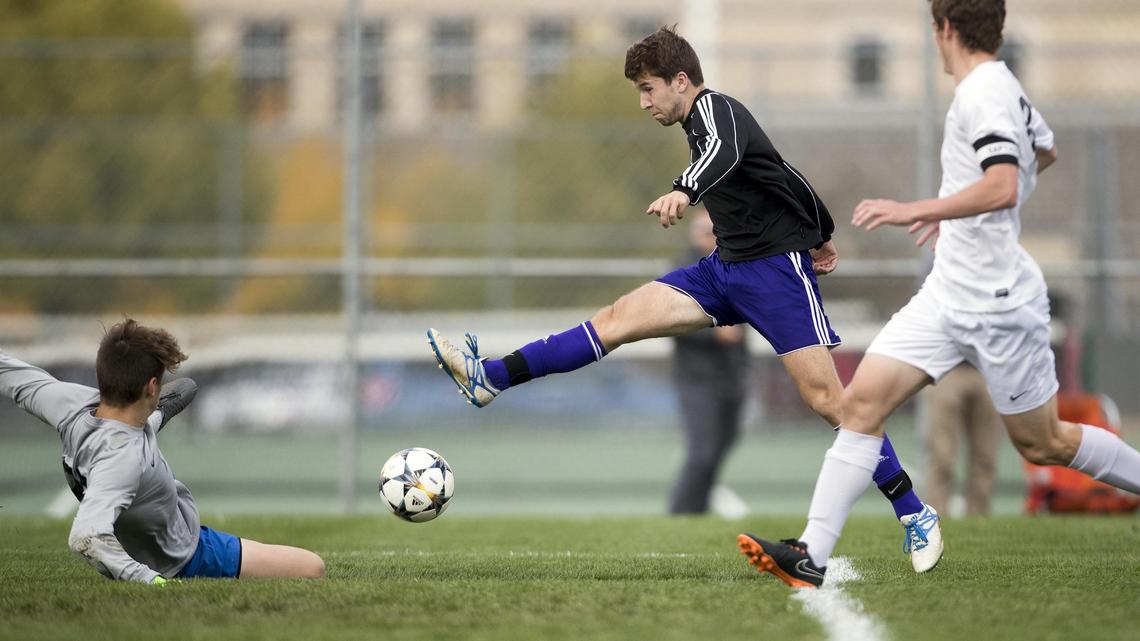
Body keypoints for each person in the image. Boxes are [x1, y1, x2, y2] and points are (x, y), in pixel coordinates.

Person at [427, 25, 941, 570]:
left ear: (680, 80)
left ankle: (913, 512)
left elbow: (727, 152)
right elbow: (784, 173)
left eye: (649, 88)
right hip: (723, 271)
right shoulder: (700, 127)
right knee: (617, 318)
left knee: (832, 404)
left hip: (775, 274)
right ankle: (491, 377)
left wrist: (686, 189)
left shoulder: (716, 111)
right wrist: (822, 229)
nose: (645, 102)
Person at [738, 0, 1140, 588]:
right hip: (948, 292)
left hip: (1000, 301)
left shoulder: (984, 93)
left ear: (944, 29)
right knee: (861, 406)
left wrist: (921, 208)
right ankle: (810, 555)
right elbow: (1043, 154)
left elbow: (1004, 182)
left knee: (1043, 441)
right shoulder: (999, 88)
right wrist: (960, 213)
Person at [0, 319, 325, 583]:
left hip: (159, 526)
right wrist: (148, 580)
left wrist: (156, 416)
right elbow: (86, 537)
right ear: (152, 387)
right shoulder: (123, 460)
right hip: (186, 555)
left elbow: (10, 373)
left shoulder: (71, 404)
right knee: (312, 567)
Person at [668, 207, 749, 515]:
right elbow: (671, 324)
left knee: (722, 446)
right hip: (698, 378)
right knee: (702, 451)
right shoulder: (681, 270)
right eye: (706, 231)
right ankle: (680, 515)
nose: (713, 238)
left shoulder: (733, 265)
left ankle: (696, 514)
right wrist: (715, 334)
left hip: (731, 375)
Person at [926, 362, 1003, 516]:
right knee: (942, 457)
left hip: (988, 369)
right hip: (946, 369)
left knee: (985, 456)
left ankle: (978, 521)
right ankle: (934, 521)